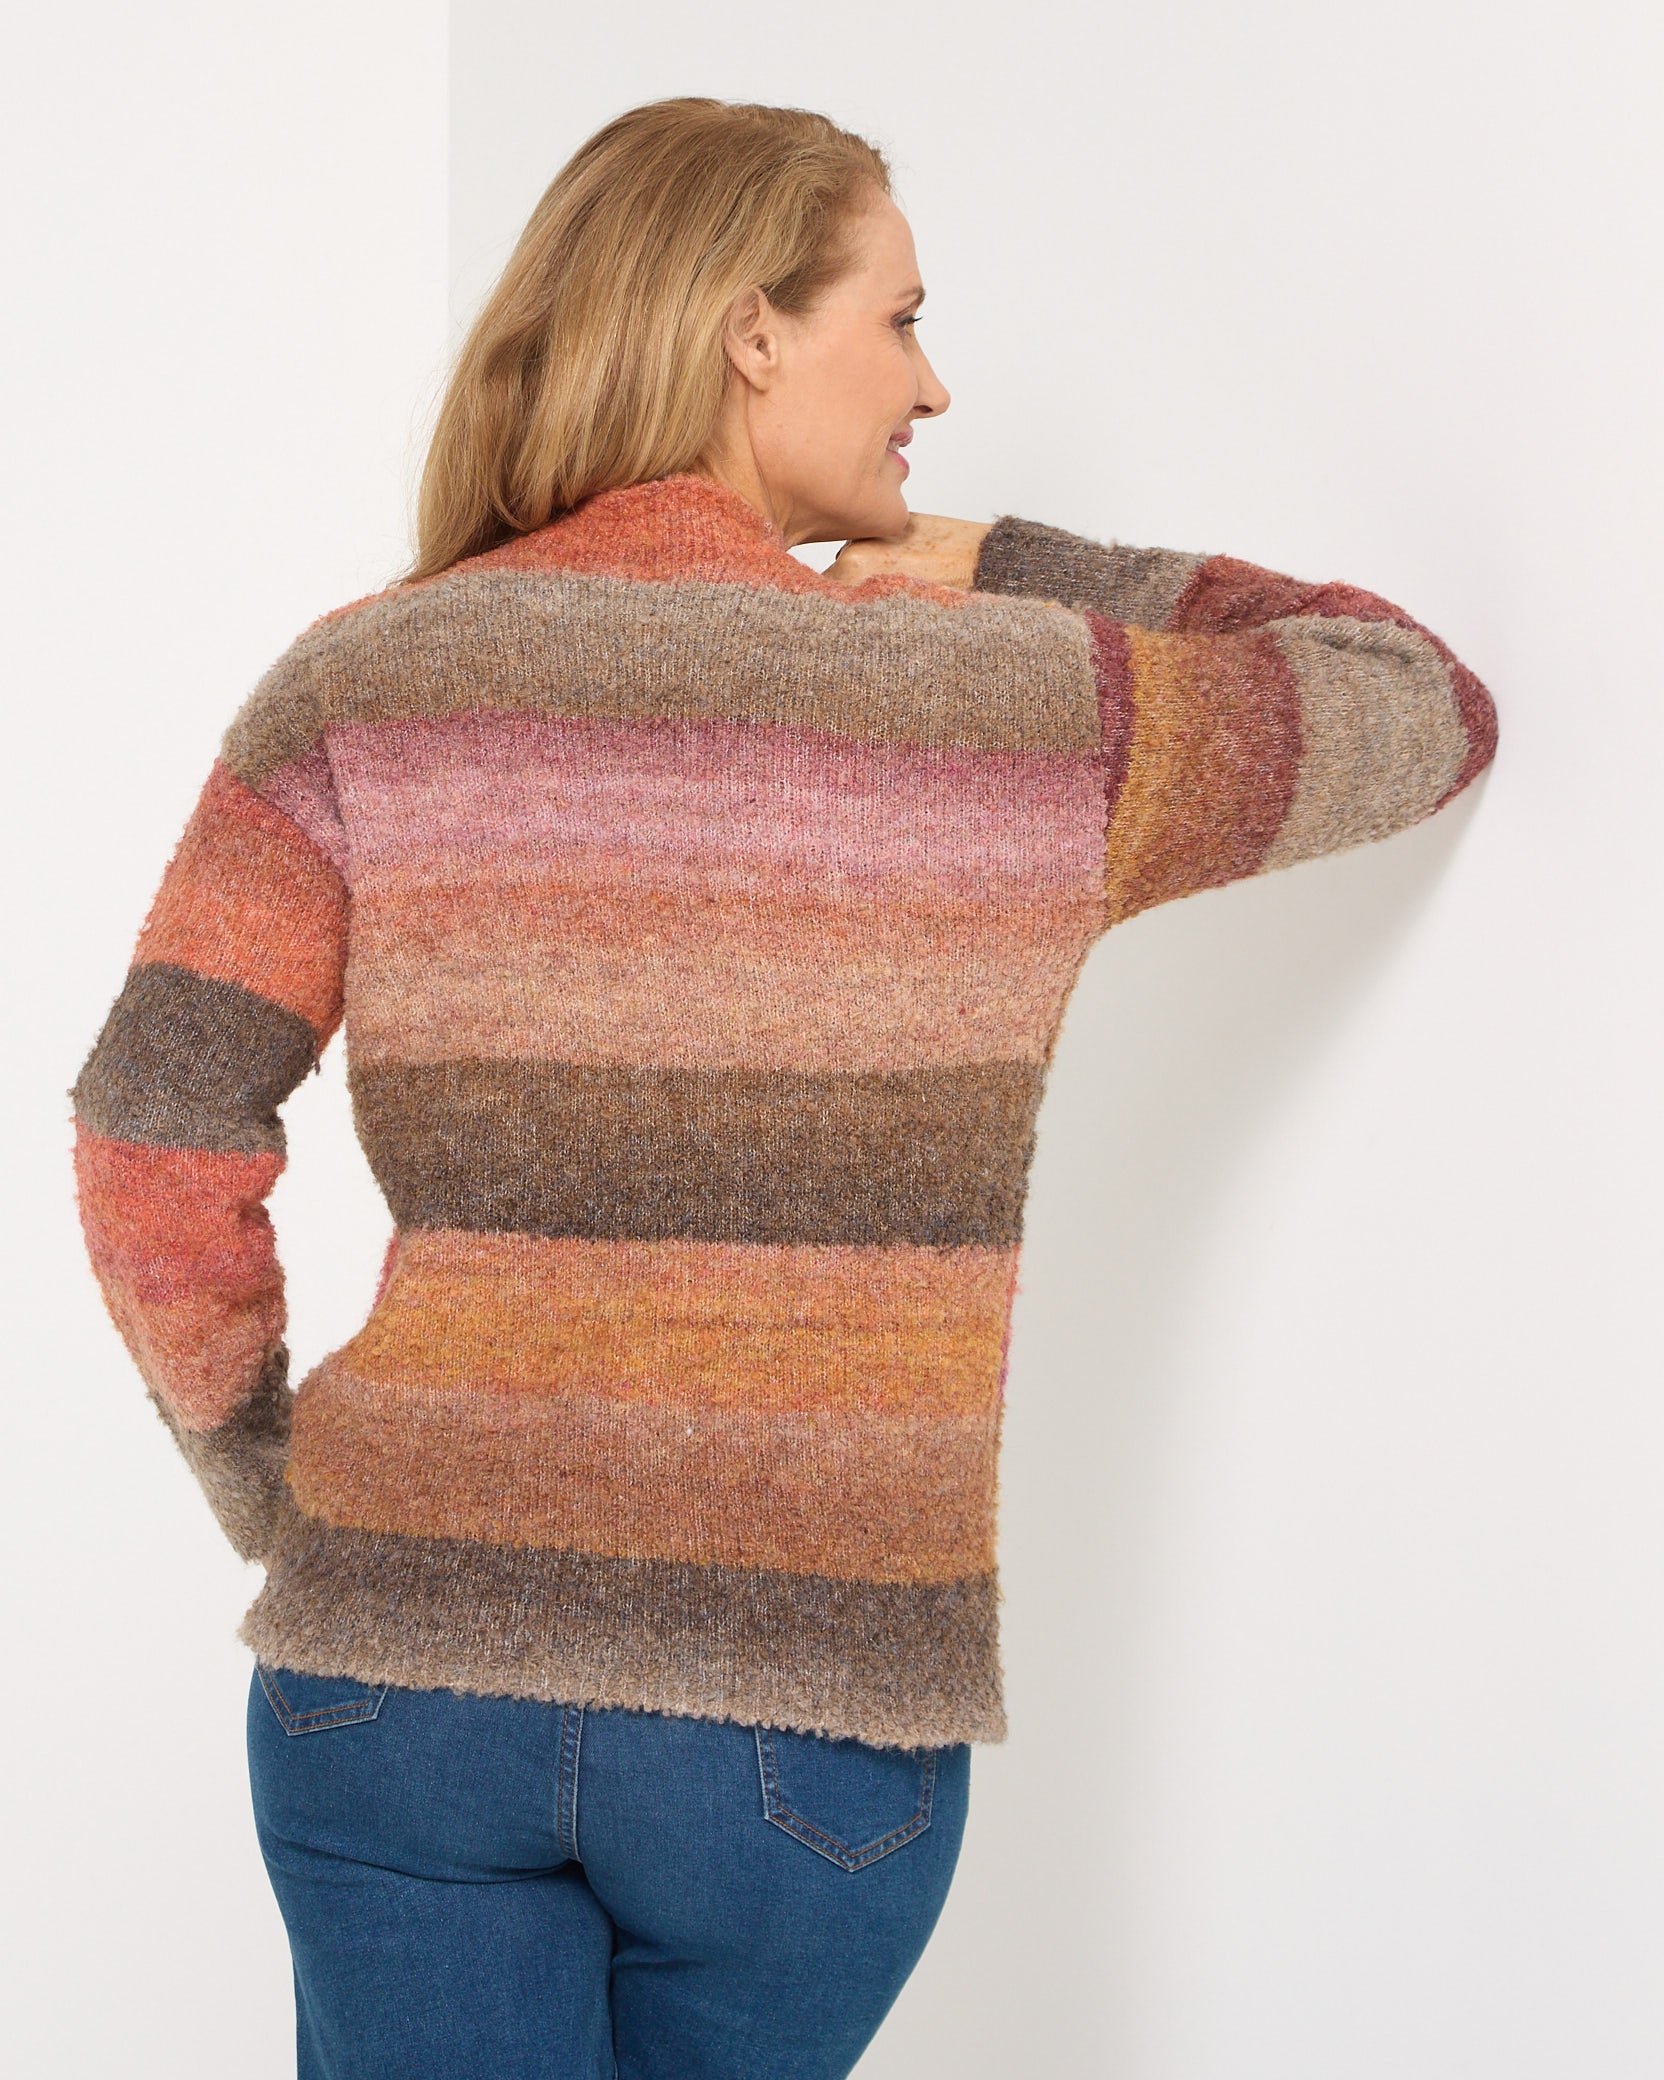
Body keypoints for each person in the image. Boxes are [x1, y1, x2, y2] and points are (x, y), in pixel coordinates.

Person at [69, 94, 1498, 2080]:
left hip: (399, 1675)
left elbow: (151, 1121)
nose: (932, 384)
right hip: (803, 1718)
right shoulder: (1019, 706)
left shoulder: (366, 682)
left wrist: (275, 1492)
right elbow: (1414, 699)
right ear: (751, 329)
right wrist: (1009, 561)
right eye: (897, 319)